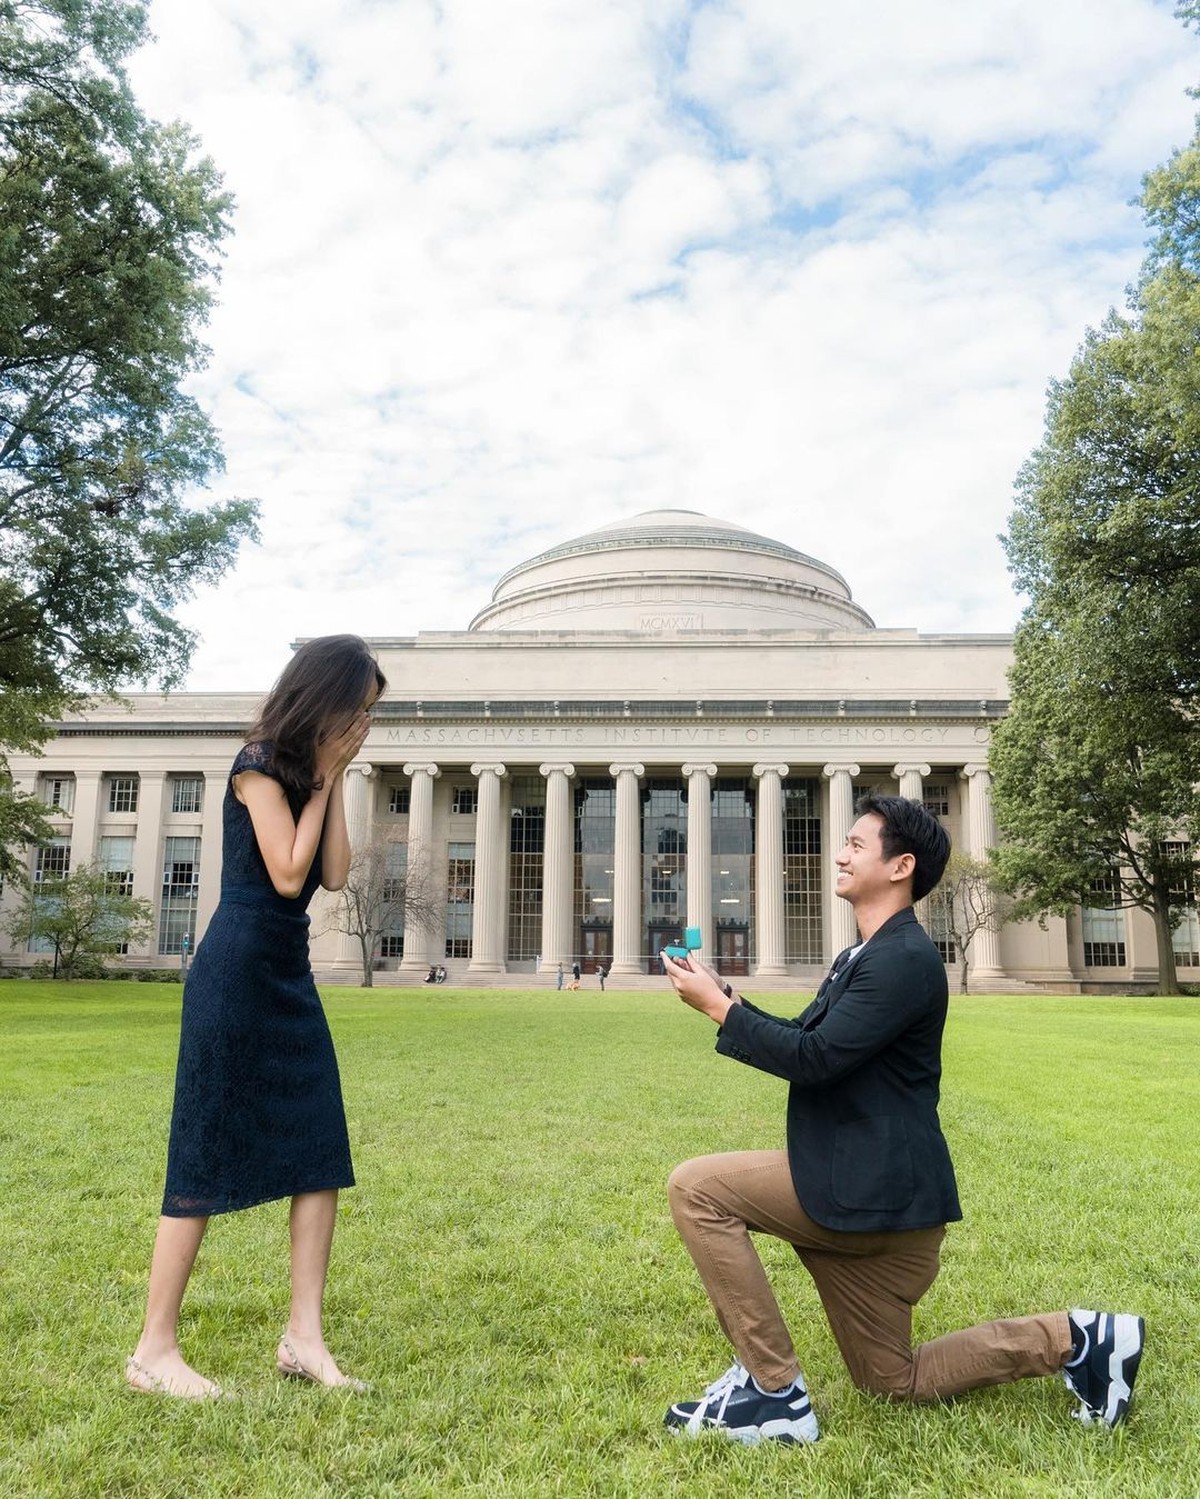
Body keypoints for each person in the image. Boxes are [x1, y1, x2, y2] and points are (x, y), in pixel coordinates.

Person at [659, 794, 1144, 1445]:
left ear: (900, 865)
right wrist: (727, 997)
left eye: (856, 844)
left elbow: (816, 1057)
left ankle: (771, 1391)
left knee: (697, 1187)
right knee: (894, 1380)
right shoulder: (866, 956)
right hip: (887, 1211)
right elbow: (804, 1037)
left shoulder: (903, 959)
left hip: (868, 1192)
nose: (839, 852)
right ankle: (1081, 1338)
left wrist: (718, 1012)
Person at [126, 634, 385, 1399]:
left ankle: (304, 1336)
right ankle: (153, 1349)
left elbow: (334, 873)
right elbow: (287, 869)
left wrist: (334, 780)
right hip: (236, 969)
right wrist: (328, 772)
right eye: (360, 709)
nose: (366, 723)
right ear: (326, 697)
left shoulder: (307, 773)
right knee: (203, 1147)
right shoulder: (257, 764)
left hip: (287, 971)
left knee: (318, 1142)